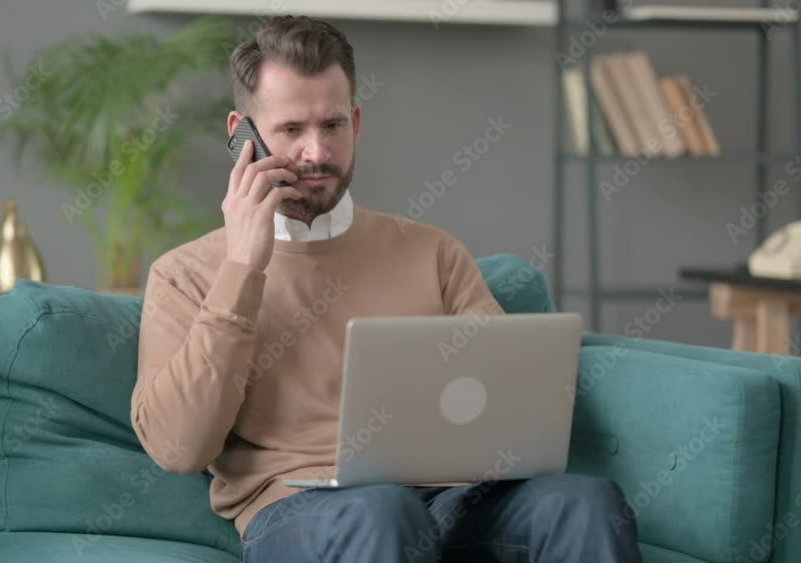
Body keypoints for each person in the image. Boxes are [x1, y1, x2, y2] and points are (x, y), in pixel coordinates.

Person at [130, 15, 644, 563]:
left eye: (332, 126)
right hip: (298, 513)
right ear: (243, 135)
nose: (316, 153)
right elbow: (179, 447)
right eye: (291, 130)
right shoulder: (186, 273)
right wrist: (243, 268)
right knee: (381, 510)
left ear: (356, 122)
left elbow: (512, 402)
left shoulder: (433, 252)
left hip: (449, 499)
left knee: (587, 501)